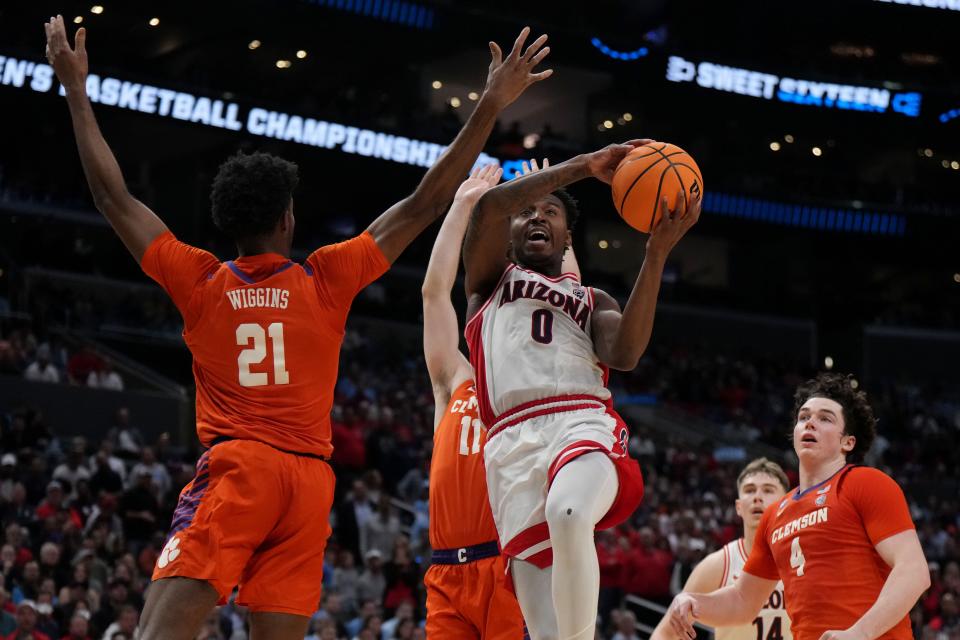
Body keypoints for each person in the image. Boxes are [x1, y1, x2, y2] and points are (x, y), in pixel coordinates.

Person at [44, 14, 551, 640]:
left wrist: (75, 89)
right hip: (309, 485)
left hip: (240, 472)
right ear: (287, 219)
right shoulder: (325, 280)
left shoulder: (200, 281)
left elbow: (112, 198)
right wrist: (491, 104)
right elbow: (425, 199)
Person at [461, 140, 700, 639]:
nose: (537, 218)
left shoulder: (592, 298)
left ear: (568, 235)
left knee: (567, 511)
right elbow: (488, 207)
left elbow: (626, 354)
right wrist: (582, 168)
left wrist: (655, 254)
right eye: (526, 212)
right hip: (508, 448)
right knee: (544, 630)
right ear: (509, 233)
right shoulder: (488, 283)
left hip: (578, 421)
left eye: (550, 212)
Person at [664, 373, 931, 640]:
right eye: (804, 417)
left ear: (847, 442)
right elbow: (743, 600)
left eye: (825, 418)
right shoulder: (775, 514)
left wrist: (859, 633)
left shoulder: (865, 482)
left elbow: (914, 571)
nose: (810, 423)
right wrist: (695, 602)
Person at [420, 164, 525, 638]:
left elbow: (569, 312)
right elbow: (433, 292)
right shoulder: (454, 378)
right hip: (445, 573)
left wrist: (546, 209)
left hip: (507, 567)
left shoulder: (531, 386)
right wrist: (462, 206)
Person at [650, 458, 792, 640]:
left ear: (786, 504)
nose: (758, 497)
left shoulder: (802, 558)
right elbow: (665, 633)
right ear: (739, 507)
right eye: (750, 490)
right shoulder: (719, 564)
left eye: (768, 490)